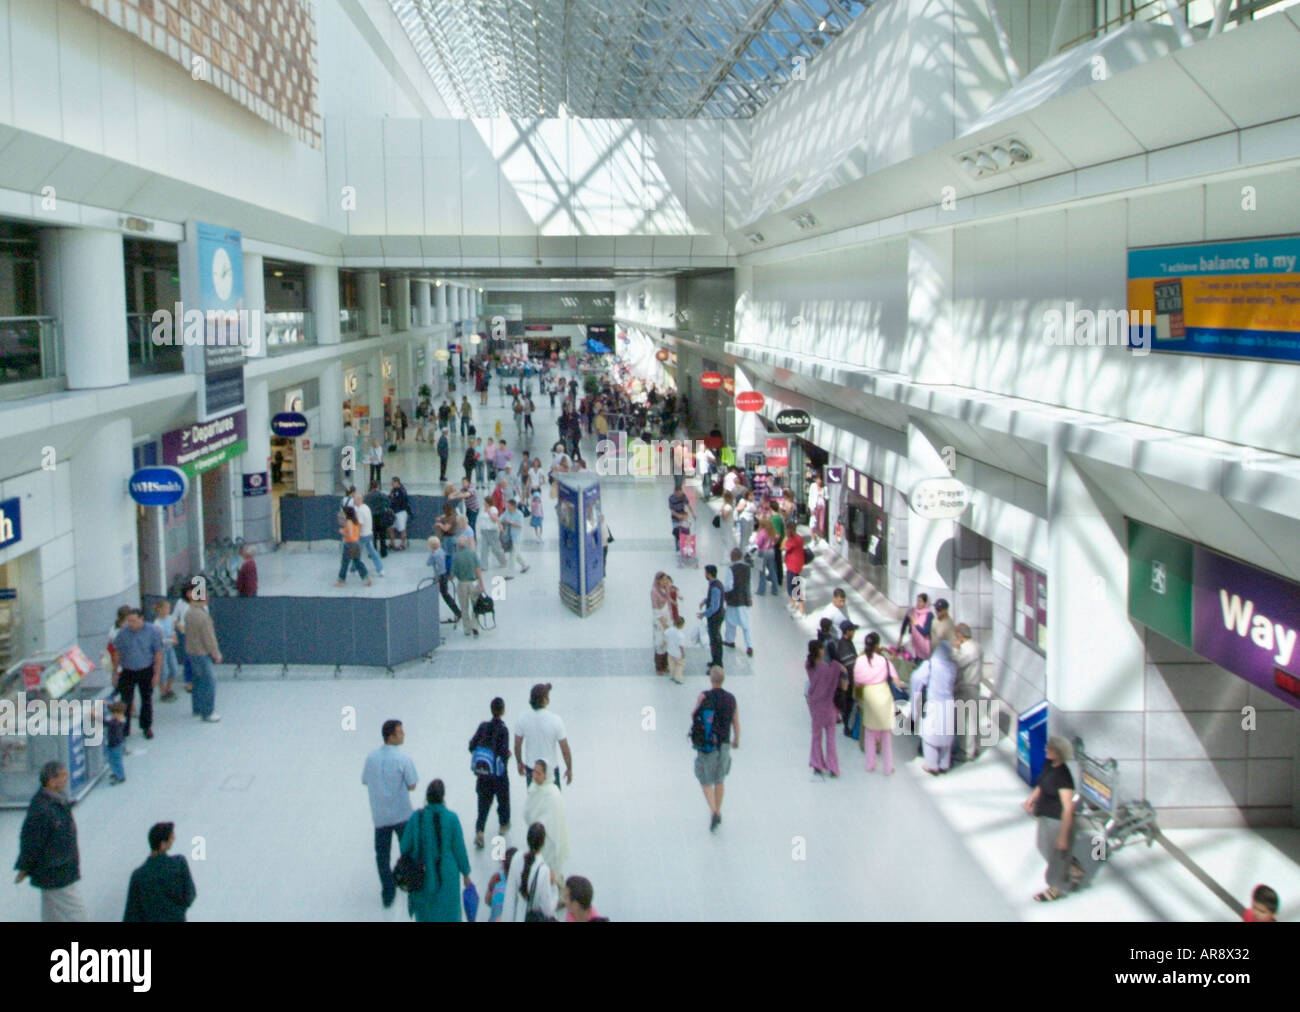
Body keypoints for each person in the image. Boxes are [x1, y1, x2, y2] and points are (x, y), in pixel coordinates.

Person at [13, 762, 86, 922]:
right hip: (56, 873)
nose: (67, 779)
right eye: (63, 776)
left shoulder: (55, 801)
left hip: (58, 870)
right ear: (52, 781)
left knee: (52, 912)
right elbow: (31, 842)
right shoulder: (43, 809)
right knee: (76, 914)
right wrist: (24, 867)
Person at [399, 780, 474, 922]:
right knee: (448, 913)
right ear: (443, 797)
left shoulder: (416, 818)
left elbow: (404, 846)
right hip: (447, 876)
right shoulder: (451, 818)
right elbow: (459, 850)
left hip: (422, 875)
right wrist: (466, 873)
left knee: (426, 914)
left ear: (427, 796)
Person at [362, 719, 418, 909]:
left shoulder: (370, 758)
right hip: (402, 814)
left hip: (380, 816)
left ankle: (388, 891)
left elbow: (365, 780)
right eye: (400, 732)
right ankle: (410, 884)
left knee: (382, 856)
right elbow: (412, 785)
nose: (403, 734)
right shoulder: (403, 759)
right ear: (391, 736)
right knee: (408, 851)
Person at [1022, 736, 1076, 903]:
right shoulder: (1048, 764)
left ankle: (1055, 888)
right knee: (1043, 847)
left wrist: (1063, 835)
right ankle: (1074, 868)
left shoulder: (1064, 777)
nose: (1046, 749)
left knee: (1056, 855)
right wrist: (1032, 798)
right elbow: (1042, 784)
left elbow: (1068, 808)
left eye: (1050, 748)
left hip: (1057, 820)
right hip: (1045, 814)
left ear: (1059, 754)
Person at [692, 666, 739, 832]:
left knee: (705, 780)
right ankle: (718, 810)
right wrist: (736, 739)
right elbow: (736, 722)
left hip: (707, 744)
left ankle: (713, 811)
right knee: (720, 779)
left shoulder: (705, 696)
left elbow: (694, 715)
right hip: (724, 743)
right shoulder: (731, 699)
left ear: (711, 679)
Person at [123, 822, 197, 922]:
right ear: (162, 844)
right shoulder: (179, 864)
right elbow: (189, 896)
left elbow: (131, 915)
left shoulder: (138, 875)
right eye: (171, 838)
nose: (173, 839)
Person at [854, 632, 905, 775]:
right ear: (877, 645)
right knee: (886, 735)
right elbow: (897, 682)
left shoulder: (860, 661)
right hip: (884, 695)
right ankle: (888, 767)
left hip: (869, 695)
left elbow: (858, 681)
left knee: (870, 733)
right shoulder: (884, 661)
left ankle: (870, 765)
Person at [113, 608, 164, 741]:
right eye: (129, 621)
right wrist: (115, 672)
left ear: (142, 619)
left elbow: (158, 653)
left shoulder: (152, 631)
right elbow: (117, 652)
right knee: (126, 701)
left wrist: (157, 674)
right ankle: (124, 729)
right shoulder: (123, 633)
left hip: (146, 670)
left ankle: (146, 726)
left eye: (134, 621)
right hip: (128, 670)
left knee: (146, 699)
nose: (131, 624)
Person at [468, 698, 512, 850]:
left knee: (483, 804)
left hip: (483, 775)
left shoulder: (483, 726)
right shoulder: (503, 730)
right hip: (498, 776)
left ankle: (480, 831)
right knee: (503, 799)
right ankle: (503, 825)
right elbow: (503, 754)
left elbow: (471, 746)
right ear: (503, 711)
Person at [911, 638, 959, 774]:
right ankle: (944, 764)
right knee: (946, 734)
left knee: (930, 734)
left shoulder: (930, 664)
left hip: (934, 703)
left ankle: (932, 765)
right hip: (948, 704)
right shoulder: (952, 667)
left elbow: (916, 678)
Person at [515, 683, 572, 789]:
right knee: (553, 803)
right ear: (545, 699)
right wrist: (569, 769)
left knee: (534, 803)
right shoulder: (556, 720)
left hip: (532, 770)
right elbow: (565, 749)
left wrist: (519, 762)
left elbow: (517, 745)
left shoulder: (522, 718)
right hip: (551, 770)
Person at [502, 823, 559, 922]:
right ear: (543, 843)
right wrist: (554, 887)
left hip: (518, 917)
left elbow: (510, 897)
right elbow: (547, 909)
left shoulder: (516, 859)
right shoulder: (543, 870)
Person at [524, 759, 570, 876]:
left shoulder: (552, 794)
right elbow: (529, 812)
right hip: (536, 839)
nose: (535, 775)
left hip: (548, 841)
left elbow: (551, 821)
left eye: (538, 773)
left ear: (546, 775)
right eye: (534, 771)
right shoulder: (534, 788)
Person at [183, 590, 222, 723]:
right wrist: (216, 653)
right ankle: (208, 712)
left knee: (197, 681)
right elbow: (209, 638)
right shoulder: (203, 616)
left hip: (191, 652)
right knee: (209, 681)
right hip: (202, 653)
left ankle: (197, 708)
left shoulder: (189, 613)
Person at [805, 639, 842, 778]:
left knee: (816, 736)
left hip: (815, 706)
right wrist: (837, 665)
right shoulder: (827, 669)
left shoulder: (809, 665)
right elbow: (835, 674)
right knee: (830, 738)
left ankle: (817, 764)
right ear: (819, 650)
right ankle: (833, 767)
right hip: (828, 707)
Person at [952, 623, 984, 762]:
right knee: (973, 719)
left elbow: (957, 663)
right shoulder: (978, 646)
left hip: (966, 687)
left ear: (960, 635)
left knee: (965, 721)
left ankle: (967, 752)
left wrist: (954, 650)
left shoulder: (968, 650)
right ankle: (974, 747)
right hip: (975, 686)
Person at [450, 535, 486, 638]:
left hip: (462, 584)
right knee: (476, 606)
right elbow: (478, 570)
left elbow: (452, 575)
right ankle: (475, 626)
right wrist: (481, 583)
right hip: (473, 583)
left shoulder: (456, 557)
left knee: (464, 607)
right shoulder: (473, 554)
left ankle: (467, 629)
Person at [722, 547, 753, 658]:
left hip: (733, 600)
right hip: (744, 600)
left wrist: (724, 593)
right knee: (745, 624)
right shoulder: (747, 568)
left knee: (730, 622)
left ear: (734, 556)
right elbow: (748, 584)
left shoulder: (731, 569)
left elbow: (729, 586)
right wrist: (749, 597)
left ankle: (730, 641)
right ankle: (749, 645)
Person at [829, 620, 859, 736]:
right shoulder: (845, 646)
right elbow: (851, 667)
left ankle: (848, 726)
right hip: (849, 684)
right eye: (852, 630)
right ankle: (848, 728)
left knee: (848, 706)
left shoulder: (845, 643)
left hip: (847, 682)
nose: (854, 633)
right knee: (849, 707)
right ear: (847, 631)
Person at [336, 505, 372, 587]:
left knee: (345, 563)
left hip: (349, 544)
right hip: (356, 544)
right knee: (357, 562)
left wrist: (342, 532)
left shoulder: (349, 522)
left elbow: (350, 535)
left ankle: (341, 581)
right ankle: (367, 578)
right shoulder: (355, 521)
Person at [351, 490, 385, 577]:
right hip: (369, 534)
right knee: (372, 552)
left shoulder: (360, 511)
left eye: (355, 499)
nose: (354, 501)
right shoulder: (366, 507)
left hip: (362, 535)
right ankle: (380, 568)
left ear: (359, 500)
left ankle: (354, 569)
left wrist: (355, 535)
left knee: (356, 552)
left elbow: (360, 525)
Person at [698, 565, 726, 672]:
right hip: (717, 616)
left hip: (715, 617)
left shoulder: (715, 587)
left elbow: (715, 606)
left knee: (715, 641)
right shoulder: (715, 584)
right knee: (713, 640)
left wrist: (704, 614)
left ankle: (718, 664)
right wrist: (705, 601)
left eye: (705, 573)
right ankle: (715, 660)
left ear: (709, 574)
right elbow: (713, 599)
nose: (705, 575)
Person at [153, 599, 181, 702]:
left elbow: (172, 630)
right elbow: (160, 640)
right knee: (163, 672)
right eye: (167, 608)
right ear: (160, 610)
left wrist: (174, 637)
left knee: (174, 669)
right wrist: (171, 640)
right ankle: (163, 692)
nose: (169, 610)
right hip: (162, 650)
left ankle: (168, 688)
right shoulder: (156, 624)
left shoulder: (170, 619)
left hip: (170, 649)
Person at [651, 572, 674, 676]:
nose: (665, 582)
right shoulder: (654, 592)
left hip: (667, 617)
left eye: (666, 579)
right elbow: (656, 609)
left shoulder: (666, 589)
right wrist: (663, 622)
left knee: (667, 641)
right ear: (658, 581)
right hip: (659, 621)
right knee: (660, 642)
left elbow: (670, 599)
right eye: (663, 580)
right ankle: (659, 667)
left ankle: (665, 665)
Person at [899, 592, 935, 661]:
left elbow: (925, 632)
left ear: (925, 603)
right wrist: (900, 638)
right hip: (914, 644)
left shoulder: (929, 615)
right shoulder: (912, 611)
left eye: (921, 601)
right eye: (917, 601)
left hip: (923, 646)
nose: (918, 603)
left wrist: (916, 624)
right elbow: (904, 624)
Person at [501, 499, 530, 575]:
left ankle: (510, 573)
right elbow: (501, 518)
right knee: (515, 553)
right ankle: (525, 565)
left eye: (508, 505)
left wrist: (510, 522)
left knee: (512, 556)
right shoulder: (507, 512)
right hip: (508, 537)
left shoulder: (519, 514)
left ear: (513, 506)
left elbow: (520, 525)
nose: (507, 507)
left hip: (516, 537)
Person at [782, 524, 806, 617]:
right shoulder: (799, 538)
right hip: (796, 565)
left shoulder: (793, 540)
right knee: (794, 586)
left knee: (794, 587)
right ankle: (792, 603)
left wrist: (785, 538)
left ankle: (801, 610)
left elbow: (783, 547)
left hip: (793, 566)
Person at [751, 520, 779, 596]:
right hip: (771, 551)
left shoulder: (762, 532)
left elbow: (758, 543)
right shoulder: (772, 532)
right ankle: (775, 589)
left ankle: (761, 590)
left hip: (762, 552)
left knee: (762, 572)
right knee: (772, 570)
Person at [104, 701, 127, 784]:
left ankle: (120, 776)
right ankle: (116, 772)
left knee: (115, 760)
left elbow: (106, 722)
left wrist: (95, 717)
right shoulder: (122, 718)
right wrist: (107, 704)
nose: (112, 715)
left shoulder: (116, 723)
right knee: (113, 760)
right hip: (117, 743)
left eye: (113, 713)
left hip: (115, 744)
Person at [389, 477, 412, 551]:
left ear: (397, 482)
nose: (392, 484)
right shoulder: (393, 490)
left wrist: (394, 499)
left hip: (401, 512)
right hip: (393, 512)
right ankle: (392, 543)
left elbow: (403, 502)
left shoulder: (402, 491)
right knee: (391, 527)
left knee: (402, 528)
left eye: (393, 483)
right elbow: (390, 498)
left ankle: (403, 544)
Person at [668, 485, 694, 551]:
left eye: (681, 493)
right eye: (678, 493)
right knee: (676, 532)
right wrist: (678, 516)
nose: (680, 495)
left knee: (686, 531)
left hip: (683, 516)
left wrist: (693, 514)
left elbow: (688, 505)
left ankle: (686, 545)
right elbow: (672, 511)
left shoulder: (683, 496)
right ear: (675, 492)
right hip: (675, 518)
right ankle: (678, 547)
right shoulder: (671, 498)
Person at [665, 614, 687, 685]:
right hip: (678, 654)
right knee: (679, 665)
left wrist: (663, 645)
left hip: (670, 651)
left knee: (671, 664)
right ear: (682, 625)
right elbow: (681, 646)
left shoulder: (670, 630)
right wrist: (683, 653)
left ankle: (672, 675)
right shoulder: (681, 635)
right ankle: (678, 678)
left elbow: (665, 635)